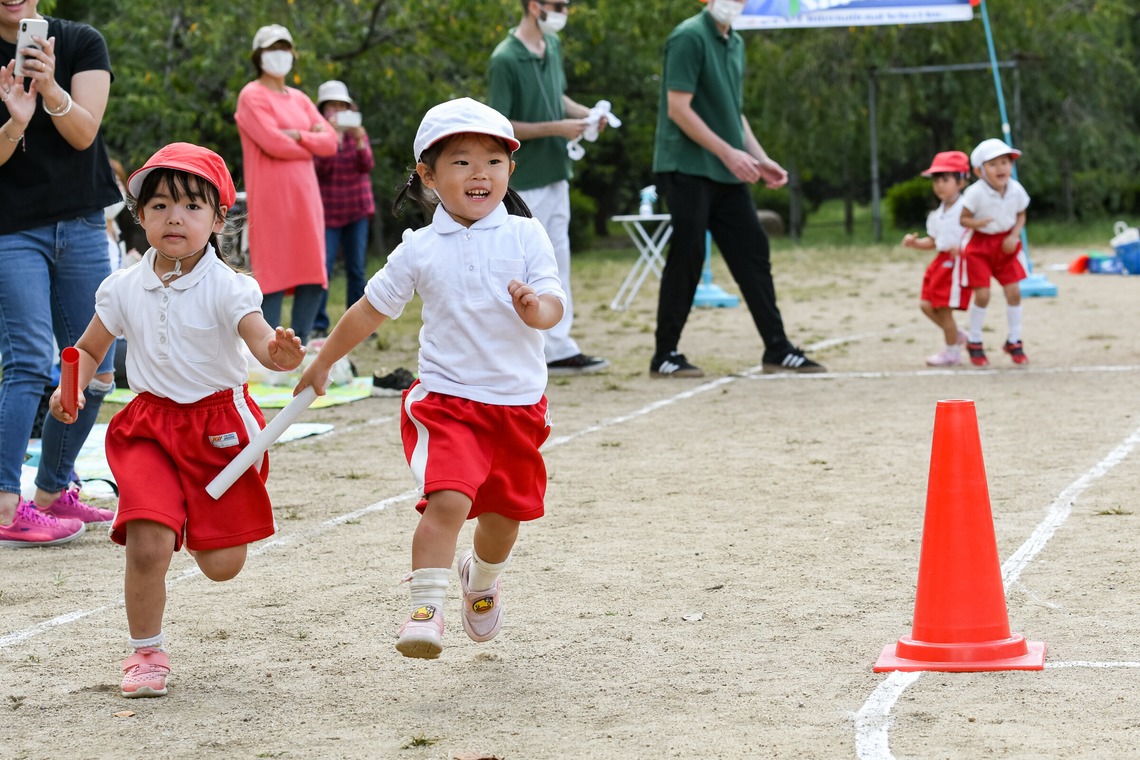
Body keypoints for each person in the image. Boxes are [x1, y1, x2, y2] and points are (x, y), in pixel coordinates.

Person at [294, 98, 565, 659]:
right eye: (462, 161)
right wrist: (323, 362)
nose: (479, 173)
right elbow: (369, 309)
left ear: (510, 170)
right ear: (428, 175)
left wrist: (535, 309)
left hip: (517, 405)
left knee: (503, 520)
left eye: (493, 161)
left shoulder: (526, 235)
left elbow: (553, 305)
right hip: (448, 402)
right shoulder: (418, 247)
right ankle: (425, 608)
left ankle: (481, 579)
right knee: (447, 501)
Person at [48, 142, 305, 697]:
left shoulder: (230, 286)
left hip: (219, 428)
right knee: (147, 543)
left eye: (191, 206)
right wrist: (70, 389)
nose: (174, 218)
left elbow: (263, 343)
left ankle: (188, 514)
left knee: (222, 564)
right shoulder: (121, 287)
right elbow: (88, 350)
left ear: (218, 219)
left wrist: (280, 354)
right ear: (140, 216)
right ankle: (146, 653)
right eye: (160, 205)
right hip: (149, 428)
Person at [650, 0, 825, 378]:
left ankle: (777, 348)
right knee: (688, 254)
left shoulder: (736, 43)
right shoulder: (688, 37)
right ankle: (665, 355)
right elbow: (678, 109)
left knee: (753, 251)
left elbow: (733, 112)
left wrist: (760, 159)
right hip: (686, 167)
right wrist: (729, 154)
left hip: (725, 171)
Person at [0, 1, 120, 548]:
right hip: (12, 230)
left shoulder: (81, 42)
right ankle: (6, 505)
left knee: (95, 368)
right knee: (27, 360)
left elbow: (84, 133)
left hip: (82, 223)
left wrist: (49, 88)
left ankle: (51, 491)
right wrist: (15, 123)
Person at [488, 0, 609, 376]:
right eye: (558, 5)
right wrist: (557, 128)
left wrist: (585, 115)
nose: (563, 11)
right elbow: (501, 125)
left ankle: (558, 346)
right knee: (521, 265)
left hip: (558, 173)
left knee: (558, 263)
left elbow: (556, 96)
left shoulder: (552, 45)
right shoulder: (505, 58)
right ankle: (517, 350)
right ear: (533, 5)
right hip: (525, 180)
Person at [235, 24, 337, 344]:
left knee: (313, 273)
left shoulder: (301, 99)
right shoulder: (251, 95)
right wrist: (310, 142)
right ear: (258, 55)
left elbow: (331, 142)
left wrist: (297, 137)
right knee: (272, 275)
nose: (279, 55)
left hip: (306, 200)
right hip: (271, 201)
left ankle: (300, 346)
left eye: (284, 48)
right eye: (271, 49)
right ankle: (269, 349)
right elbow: (272, 142)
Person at [311, 80, 375, 337]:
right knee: (323, 269)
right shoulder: (317, 134)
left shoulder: (358, 132)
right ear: (322, 110)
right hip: (327, 212)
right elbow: (321, 170)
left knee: (356, 269)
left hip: (357, 209)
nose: (338, 110)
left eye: (342, 105)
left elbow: (367, 165)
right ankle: (319, 325)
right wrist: (333, 140)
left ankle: (359, 326)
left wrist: (359, 140)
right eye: (332, 106)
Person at [959, 137, 1030, 366]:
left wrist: (1014, 234)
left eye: (1005, 162)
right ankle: (975, 341)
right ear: (979, 171)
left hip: (1006, 245)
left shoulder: (1015, 189)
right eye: (993, 164)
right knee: (983, 295)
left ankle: (1014, 340)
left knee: (1014, 292)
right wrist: (978, 223)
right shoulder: (975, 193)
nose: (1001, 168)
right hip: (979, 246)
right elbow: (963, 219)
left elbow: (1021, 214)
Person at [901, 151, 971, 367]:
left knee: (943, 309)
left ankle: (952, 352)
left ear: (961, 181)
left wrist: (964, 248)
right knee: (926, 305)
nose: (939, 185)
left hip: (956, 264)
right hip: (939, 263)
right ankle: (957, 334)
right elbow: (933, 241)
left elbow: (978, 235)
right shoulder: (936, 215)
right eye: (936, 180)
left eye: (945, 179)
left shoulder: (968, 209)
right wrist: (915, 243)